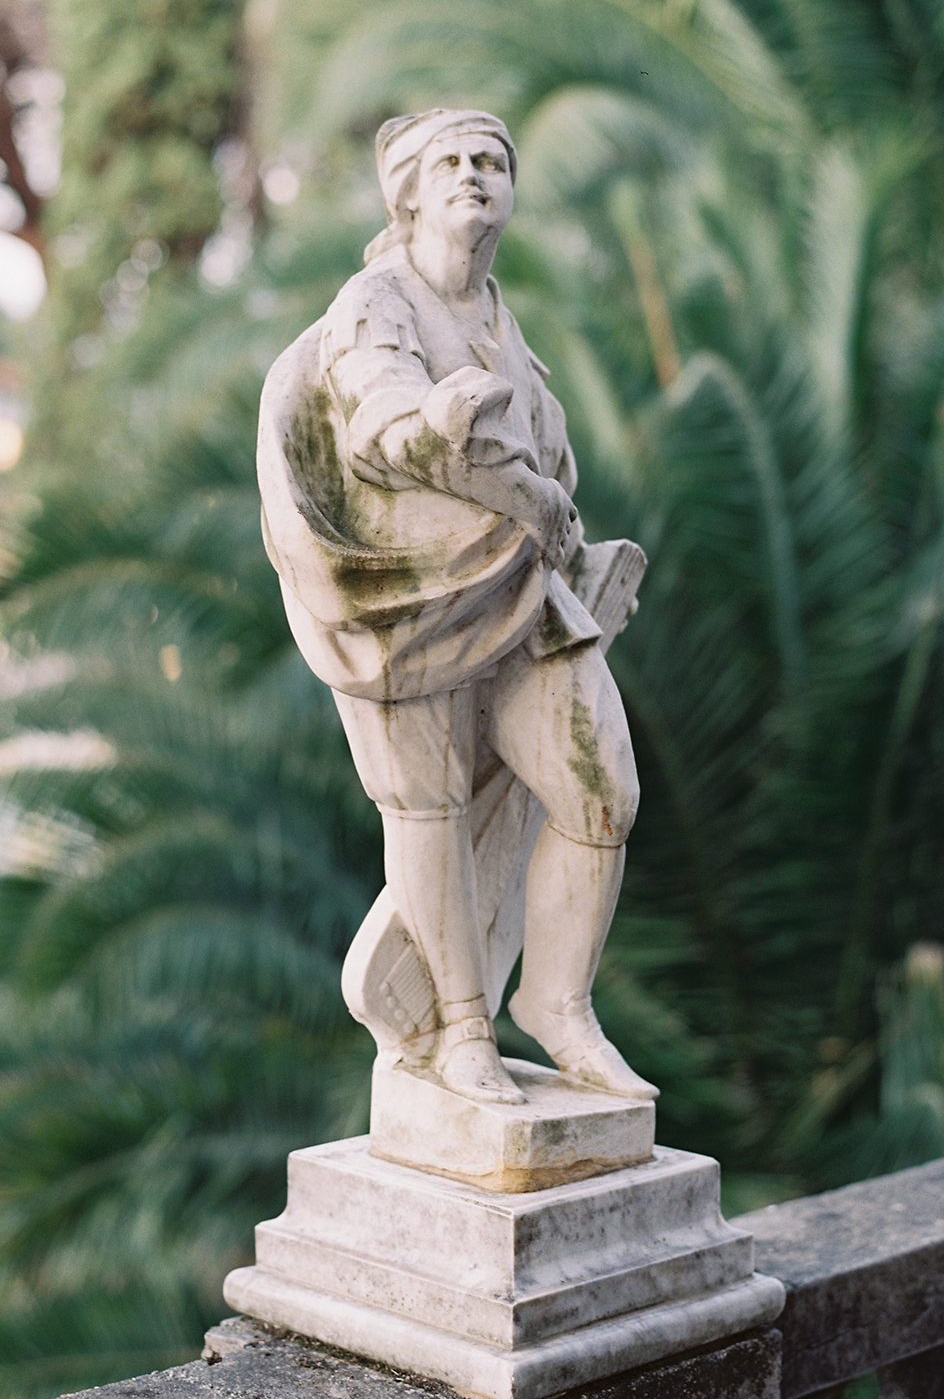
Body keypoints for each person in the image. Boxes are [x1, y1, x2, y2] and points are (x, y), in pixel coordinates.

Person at [258, 108, 657, 1106]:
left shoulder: (500, 318)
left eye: (492, 161)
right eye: (452, 162)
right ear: (407, 192)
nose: (475, 176)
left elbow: (544, 458)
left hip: (522, 591)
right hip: (404, 600)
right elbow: (391, 425)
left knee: (599, 789)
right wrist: (497, 467)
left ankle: (556, 1003)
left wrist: (560, 519)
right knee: (428, 807)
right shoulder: (374, 302)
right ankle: (460, 1029)